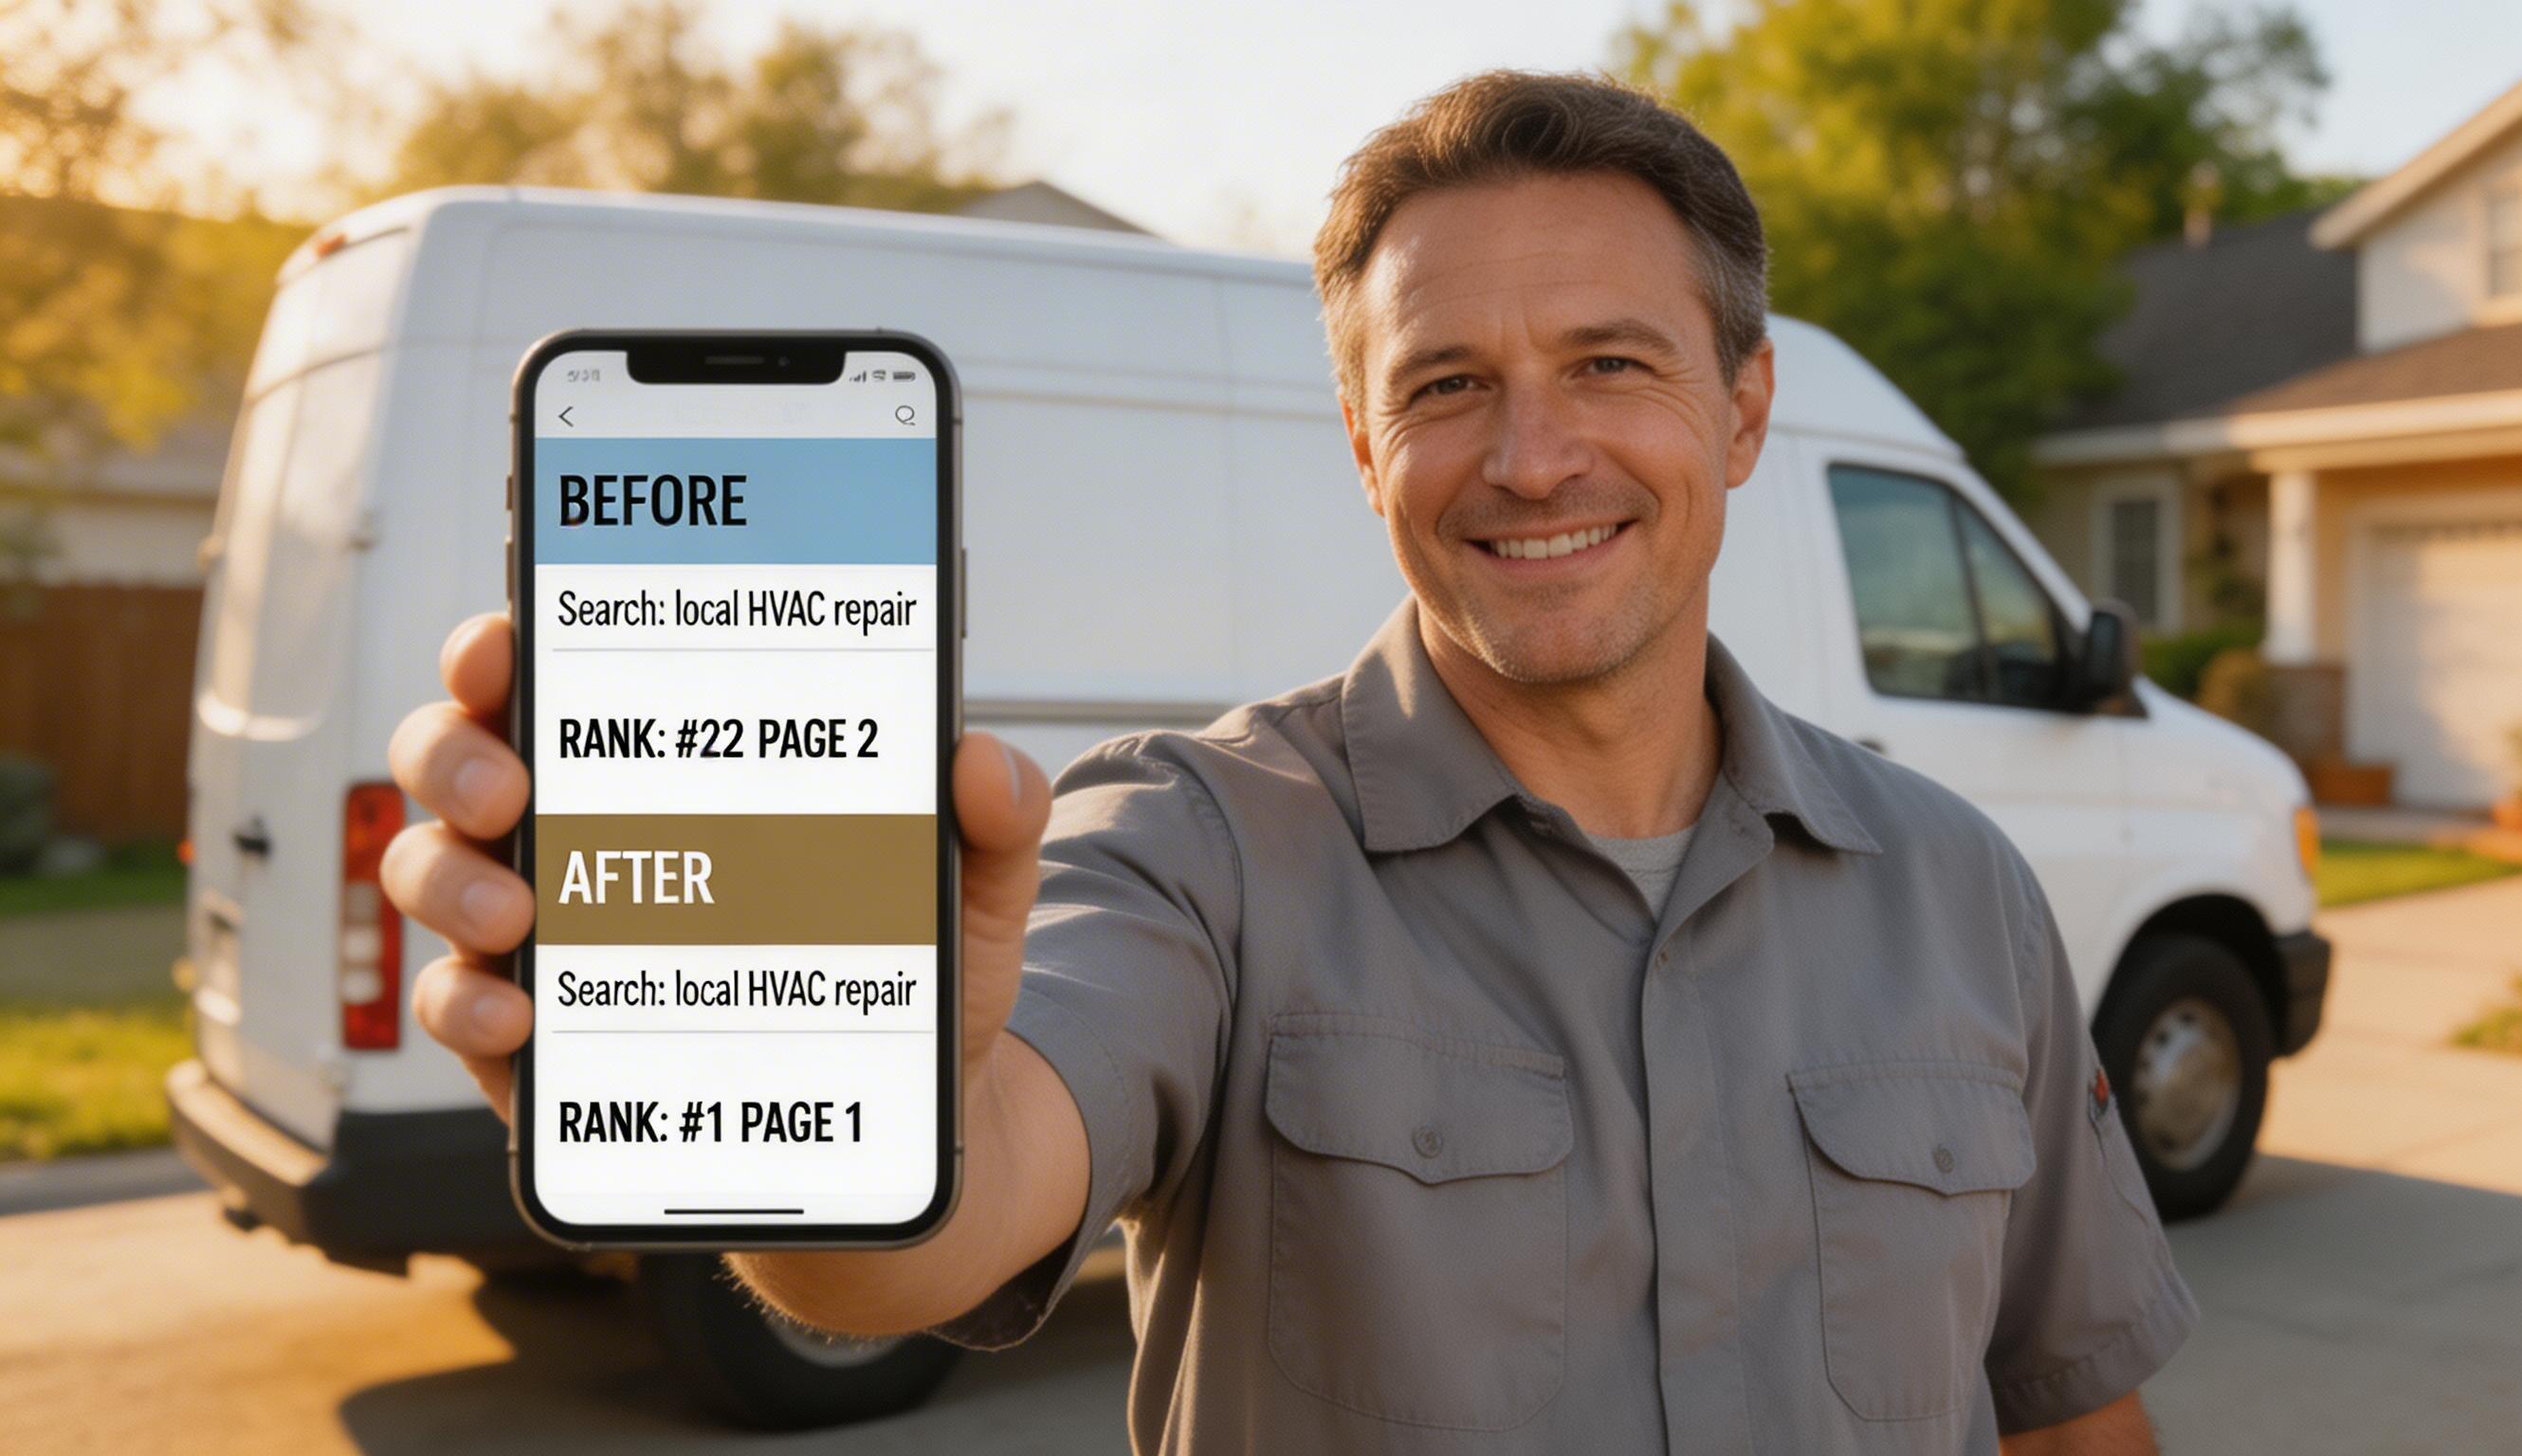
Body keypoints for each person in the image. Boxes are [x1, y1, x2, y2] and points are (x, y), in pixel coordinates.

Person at [385, 69, 2195, 1455]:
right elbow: (918, 1239)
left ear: (1742, 407)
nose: (1534, 457)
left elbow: (2068, 1407)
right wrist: (810, 1126)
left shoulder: (1961, 888)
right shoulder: (1197, 848)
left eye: (1610, 364)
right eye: (1446, 386)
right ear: (1360, 441)